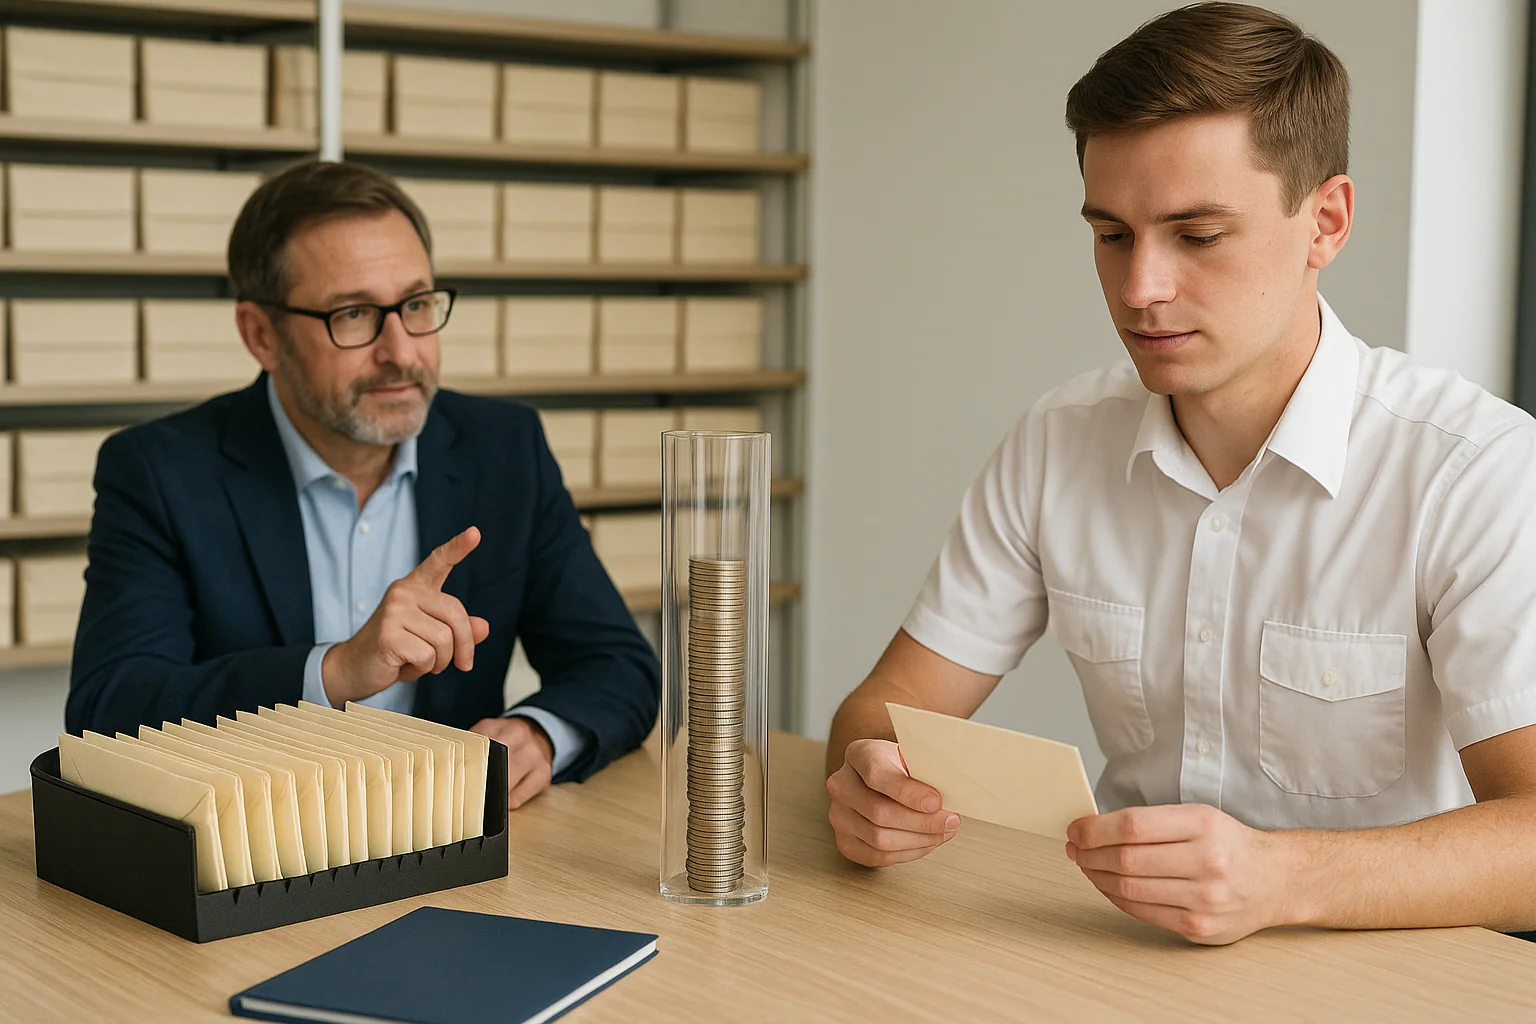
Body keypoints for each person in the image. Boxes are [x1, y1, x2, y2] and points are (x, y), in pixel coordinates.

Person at [823, 1, 1536, 945]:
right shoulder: (1058, 441)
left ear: (1325, 221)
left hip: (1390, 981)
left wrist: (1279, 879)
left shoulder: (1474, 470)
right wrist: (870, 781)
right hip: (1124, 961)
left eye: (1196, 236)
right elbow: (883, 710)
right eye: (1112, 234)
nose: (1138, 289)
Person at [66, 160, 660, 809]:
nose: (402, 352)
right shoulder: (158, 470)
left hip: (457, 844)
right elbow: (110, 707)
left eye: (415, 304)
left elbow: (615, 663)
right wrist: (333, 671)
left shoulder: (504, 448)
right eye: (353, 315)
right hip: (252, 861)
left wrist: (539, 736)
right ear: (260, 334)